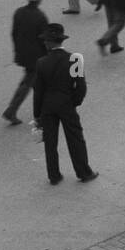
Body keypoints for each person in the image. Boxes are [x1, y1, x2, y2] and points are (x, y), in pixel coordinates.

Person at [32, 23, 98, 185]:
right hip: (66, 104)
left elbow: (38, 91)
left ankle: (54, 175)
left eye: (46, 41)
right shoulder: (74, 59)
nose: (44, 44)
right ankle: (84, 172)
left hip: (48, 106)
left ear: (49, 42)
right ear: (61, 41)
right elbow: (81, 86)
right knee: (75, 139)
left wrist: (37, 114)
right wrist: (74, 101)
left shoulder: (41, 63)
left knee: (50, 142)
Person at [3, 0, 48, 126]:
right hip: (37, 57)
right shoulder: (40, 17)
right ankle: (13, 111)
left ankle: (15, 110)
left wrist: (17, 51)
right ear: (39, 0)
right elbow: (45, 40)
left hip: (23, 55)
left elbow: (14, 33)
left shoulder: (19, 12)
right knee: (33, 84)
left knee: (30, 82)